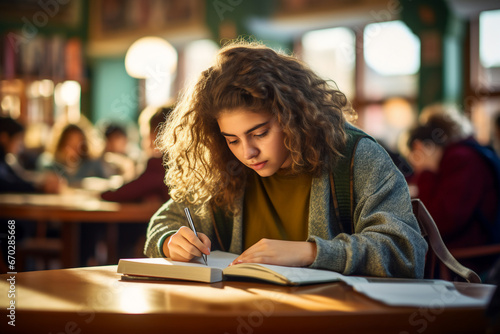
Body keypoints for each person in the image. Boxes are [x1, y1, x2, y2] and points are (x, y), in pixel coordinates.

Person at [144, 41, 427, 278]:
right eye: (232, 140)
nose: (247, 152)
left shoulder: (356, 156)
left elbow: (405, 251)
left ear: (292, 117)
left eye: (260, 133)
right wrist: (169, 241)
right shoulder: (223, 167)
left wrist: (311, 253)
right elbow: (165, 221)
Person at [405, 103, 499, 275]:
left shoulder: (461, 158)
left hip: (466, 255)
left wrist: (426, 171)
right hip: (459, 248)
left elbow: (438, 221)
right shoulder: (463, 154)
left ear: (421, 147)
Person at [101, 106, 171, 203]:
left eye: (145, 136)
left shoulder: (159, 165)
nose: (144, 143)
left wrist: (98, 194)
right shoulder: (184, 163)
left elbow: (121, 194)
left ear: (155, 135)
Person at [0, 116, 61, 193]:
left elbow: (19, 177)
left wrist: (41, 180)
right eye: (18, 141)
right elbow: (6, 184)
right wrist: (38, 187)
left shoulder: (5, 159)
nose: (20, 147)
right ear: (4, 138)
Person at [38, 122, 109, 187]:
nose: (73, 150)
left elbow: (107, 183)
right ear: (61, 144)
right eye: (69, 145)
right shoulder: (51, 165)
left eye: (77, 145)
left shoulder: (93, 164)